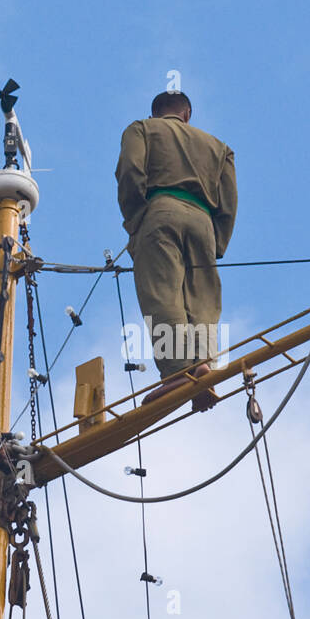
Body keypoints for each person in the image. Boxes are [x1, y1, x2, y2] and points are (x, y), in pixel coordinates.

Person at [116, 92, 237, 405]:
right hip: (204, 225)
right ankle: (205, 366)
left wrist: (137, 217)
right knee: (203, 300)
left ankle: (178, 371)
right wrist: (217, 243)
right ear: (187, 114)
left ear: (156, 113)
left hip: (160, 211)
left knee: (163, 292)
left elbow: (130, 171)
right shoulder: (219, 147)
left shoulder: (142, 129)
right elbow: (229, 201)